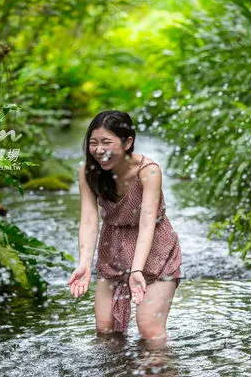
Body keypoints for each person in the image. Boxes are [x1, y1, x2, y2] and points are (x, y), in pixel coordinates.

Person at [67, 110, 182, 348]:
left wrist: (137, 269)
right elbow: (89, 220)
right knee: (105, 329)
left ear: (128, 142)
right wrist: (84, 263)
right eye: (94, 143)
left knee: (150, 329)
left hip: (155, 252)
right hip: (113, 249)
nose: (99, 150)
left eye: (106, 142)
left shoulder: (148, 171)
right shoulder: (89, 172)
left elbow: (148, 223)